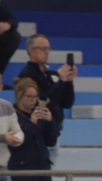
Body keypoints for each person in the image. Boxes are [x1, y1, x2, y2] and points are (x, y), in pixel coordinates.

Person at [16, 34, 77, 163]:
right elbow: (42, 101)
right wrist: (60, 81)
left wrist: (68, 82)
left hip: (53, 131)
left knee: (49, 176)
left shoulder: (51, 75)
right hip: (37, 133)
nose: (47, 52)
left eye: (48, 48)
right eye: (42, 48)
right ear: (31, 51)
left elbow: (67, 103)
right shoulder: (27, 74)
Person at [8, 79, 58, 181]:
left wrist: (50, 122)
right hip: (21, 174)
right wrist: (32, 123)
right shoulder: (11, 115)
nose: (33, 101)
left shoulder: (38, 113)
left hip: (40, 174)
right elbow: (17, 142)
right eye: (28, 97)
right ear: (19, 96)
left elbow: (51, 141)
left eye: (35, 97)